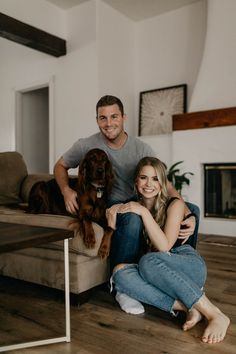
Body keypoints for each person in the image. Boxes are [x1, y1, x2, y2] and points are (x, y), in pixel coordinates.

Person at [54, 94, 197, 271]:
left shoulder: (142, 148)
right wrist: (66, 190)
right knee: (133, 218)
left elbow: (163, 182)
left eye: (114, 116)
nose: (108, 123)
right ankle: (120, 277)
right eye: (103, 118)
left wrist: (189, 214)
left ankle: (182, 267)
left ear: (123, 117)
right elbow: (60, 165)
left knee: (193, 210)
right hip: (110, 202)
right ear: (97, 120)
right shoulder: (86, 145)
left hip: (141, 199)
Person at [107, 157, 230, 344]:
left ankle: (215, 314)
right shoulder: (131, 205)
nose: (149, 184)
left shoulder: (175, 204)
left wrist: (143, 212)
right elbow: (109, 212)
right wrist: (114, 208)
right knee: (119, 273)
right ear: (136, 181)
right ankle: (190, 306)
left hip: (187, 265)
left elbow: (164, 247)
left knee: (148, 260)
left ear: (163, 183)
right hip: (158, 274)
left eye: (155, 178)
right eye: (143, 178)